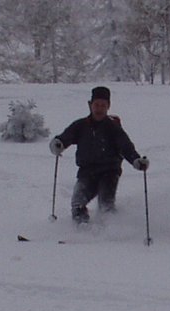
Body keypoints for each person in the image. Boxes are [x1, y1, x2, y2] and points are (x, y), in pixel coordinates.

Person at [49, 86, 149, 223]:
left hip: (109, 172)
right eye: (96, 105)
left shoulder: (113, 128)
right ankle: (82, 229)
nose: (99, 109)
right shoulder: (80, 126)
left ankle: (112, 229)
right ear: (90, 105)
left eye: (103, 105)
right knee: (77, 203)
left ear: (108, 106)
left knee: (105, 206)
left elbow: (126, 147)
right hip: (86, 173)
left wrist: (136, 160)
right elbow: (64, 138)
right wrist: (58, 144)